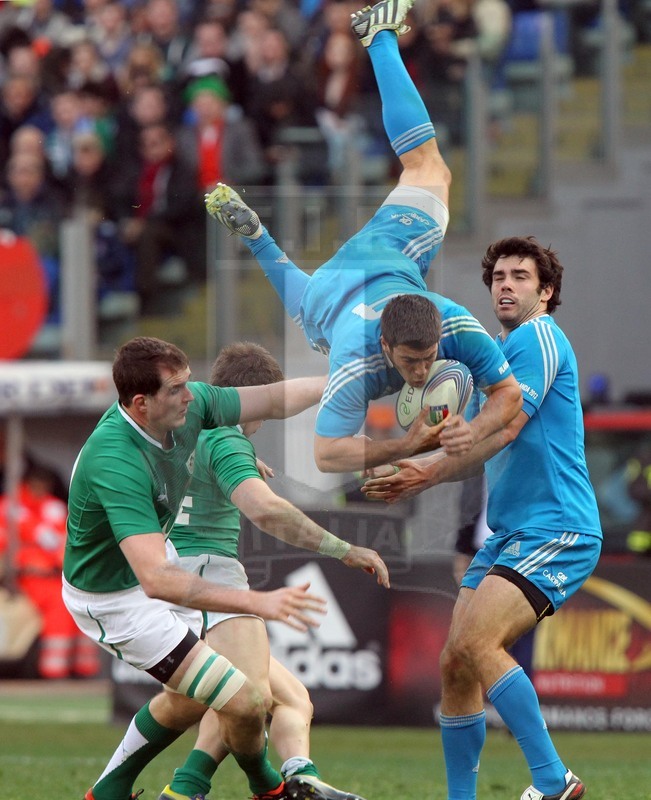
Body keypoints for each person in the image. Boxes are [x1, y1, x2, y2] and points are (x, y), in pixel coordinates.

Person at [204, 0, 522, 475]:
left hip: (349, 279)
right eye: (413, 362)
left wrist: (468, 433)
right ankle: (378, 37)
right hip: (359, 275)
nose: (419, 370)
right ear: (387, 347)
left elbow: (509, 394)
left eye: (427, 359)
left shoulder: (451, 321)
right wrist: (406, 446)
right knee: (426, 167)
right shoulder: (357, 360)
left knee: (426, 168)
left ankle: (258, 238)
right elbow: (327, 455)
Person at [363, 236, 603, 800]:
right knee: (455, 663)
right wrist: (421, 462)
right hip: (511, 533)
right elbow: (474, 447)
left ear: (546, 292)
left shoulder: (539, 338)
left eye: (521, 276)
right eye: (498, 276)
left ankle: (553, 780)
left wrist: (424, 470)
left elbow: (508, 427)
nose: (505, 284)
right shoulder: (497, 353)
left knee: (476, 645)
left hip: (558, 527)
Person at [62, 336, 327, 800]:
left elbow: (273, 398)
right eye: (178, 389)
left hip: (156, 566)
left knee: (192, 699)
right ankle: (270, 788)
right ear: (141, 403)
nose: (192, 395)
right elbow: (156, 581)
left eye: (189, 384)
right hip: (113, 597)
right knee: (246, 702)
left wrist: (351, 379)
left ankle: (111, 790)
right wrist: (257, 601)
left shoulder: (186, 409)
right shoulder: (114, 458)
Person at [152, 341, 388, 800]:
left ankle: (297, 776)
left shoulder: (176, 428)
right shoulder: (226, 437)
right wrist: (343, 549)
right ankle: (226, 788)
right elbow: (265, 511)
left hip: (169, 582)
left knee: (290, 698)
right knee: (247, 698)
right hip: (212, 583)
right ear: (257, 394)